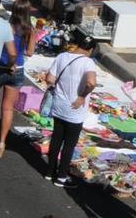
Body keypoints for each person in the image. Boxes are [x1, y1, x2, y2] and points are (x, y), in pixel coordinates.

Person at [44, 35, 98, 188]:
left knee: (56, 139)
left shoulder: (62, 56)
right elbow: (91, 82)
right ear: (90, 50)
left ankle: (50, 171)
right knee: (69, 144)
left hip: (59, 105)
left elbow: (49, 79)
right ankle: (61, 176)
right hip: (75, 110)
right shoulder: (88, 62)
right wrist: (81, 96)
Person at [0, 0, 35, 157]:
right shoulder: (30, 31)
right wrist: (21, 52)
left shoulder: (6, 26)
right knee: (7, 107)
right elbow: (30, 52)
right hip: (18, 69)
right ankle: (1, 142)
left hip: (1, 67)